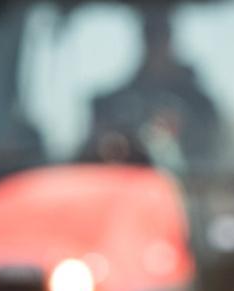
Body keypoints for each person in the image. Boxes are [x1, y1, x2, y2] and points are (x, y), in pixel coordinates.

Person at [89, 9, 223, 171]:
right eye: (152, 39)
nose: (157, 47)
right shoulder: (114, 105)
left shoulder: (200, 106)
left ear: (169, 42)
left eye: (161, 39)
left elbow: (215, 151)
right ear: (144, 43)